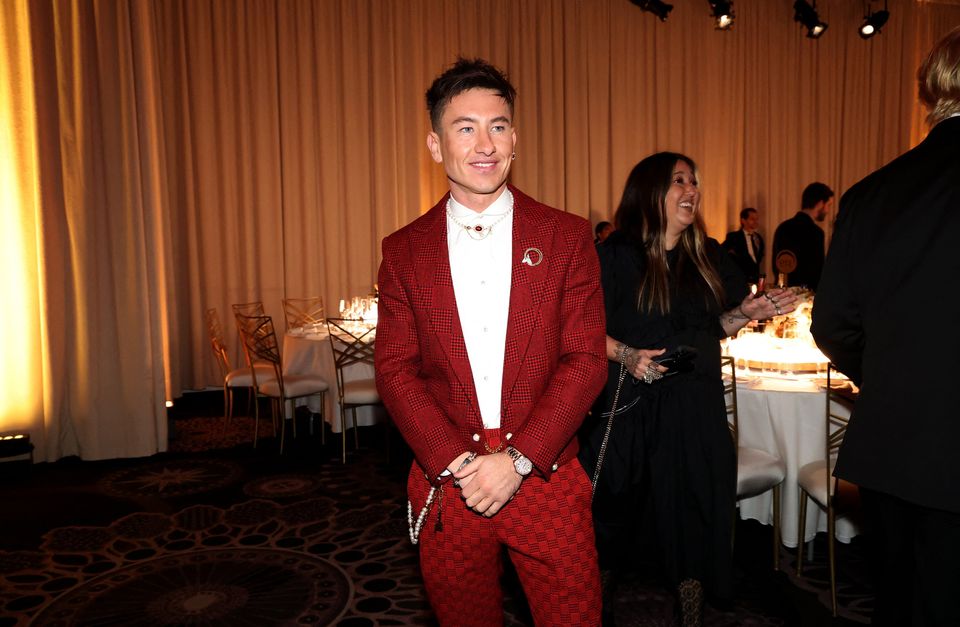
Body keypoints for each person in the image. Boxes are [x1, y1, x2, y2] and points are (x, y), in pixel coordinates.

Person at [375, 58, 607, 626]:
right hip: (450, 480)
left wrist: (520, 458)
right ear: (435, 144)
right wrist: (454, 460)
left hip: (546, 473)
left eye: (498, 126)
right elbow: (395, 369)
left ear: (515, 138)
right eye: (465, 127)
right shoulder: (403, 250)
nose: (485, 144)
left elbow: (585, 360)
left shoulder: (567, 235)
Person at [578, 152, 796, 626]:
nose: (691, 190)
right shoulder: (615, 257)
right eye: (679, 181)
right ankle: (595, 605)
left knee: (693, 508)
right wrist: (628, 356)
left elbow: (716, 325)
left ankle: (691, 610)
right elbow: (576, 330)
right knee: (613, 511)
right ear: (650, 191)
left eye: (694, 182)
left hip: (693, 402)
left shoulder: (708, 256)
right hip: (628, 401)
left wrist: (748, 313)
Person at [810, 25, 960, 627]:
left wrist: (896, 374)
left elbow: (832, 323)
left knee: (900, 604)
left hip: (893, 448)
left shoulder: (872, 193)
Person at [771, 182, 833, 290]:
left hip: (782, 294)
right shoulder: (816, 233)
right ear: (820, 204)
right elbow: (817, 272)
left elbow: (777, 265)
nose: (828, 211)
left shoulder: (783, 227)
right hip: (806, 296)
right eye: (828, 205)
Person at [722, 207, 764, 284]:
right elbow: (723, 253)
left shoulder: (758, 238)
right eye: (752, 219)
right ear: (743, 220)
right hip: (739, 279)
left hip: (755, 279)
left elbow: (759, 258)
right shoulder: (733, 237)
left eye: (756, 219)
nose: (756, 222)